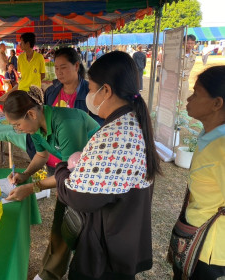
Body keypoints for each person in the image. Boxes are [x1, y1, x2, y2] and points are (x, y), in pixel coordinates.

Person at [53, 51, 161, 280]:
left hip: (106, 251)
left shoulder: (114, 135)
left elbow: (79, 195)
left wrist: (63, 169)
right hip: (126, 237)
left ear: (107, 91)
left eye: (92, 90)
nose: (90, 96)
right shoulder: (134, 119)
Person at [3, 87, 100, 280]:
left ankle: (49, 274)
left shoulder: (65, 123)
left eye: (17, 125)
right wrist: (26, 174)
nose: (18, 129)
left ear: (30, 113)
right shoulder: (36, 126)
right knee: (61, 224)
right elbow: (42, 154)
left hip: (95, 178)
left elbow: (72, 174)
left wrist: (32, 187)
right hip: (75, 176)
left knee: (69, 225)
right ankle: (48, 273)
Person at [171, 66, 225, 280]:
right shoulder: (209, 135)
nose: (188, 99)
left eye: (196, 94)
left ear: (217, 103)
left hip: (211, 250)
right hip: (196, 238)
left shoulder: (222, 149)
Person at [181, 34, 197, 108]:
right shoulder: (177, 54)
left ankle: (178, 118)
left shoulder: (193, 55)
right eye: (188, 43)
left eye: (192, 43)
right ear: (183, 43)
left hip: (185, 81)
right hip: (175, 81)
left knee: (182, 102)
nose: (190, 45)